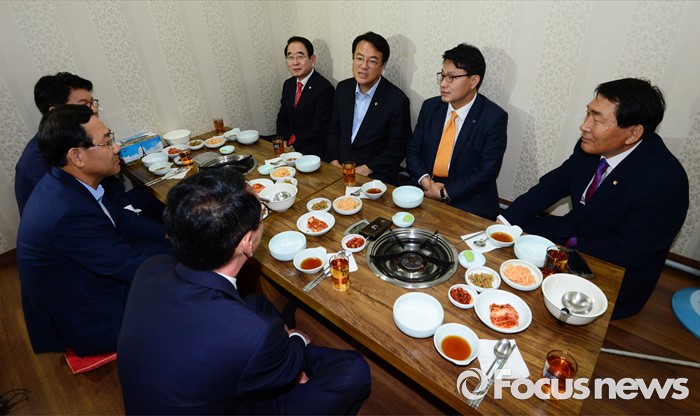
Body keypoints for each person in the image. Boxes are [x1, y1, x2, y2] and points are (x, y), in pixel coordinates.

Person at [117, 169, 371, 414]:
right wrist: (296, 340)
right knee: (352, 369)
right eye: (262, 213)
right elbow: (257, 341)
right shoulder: (251, 334)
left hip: (175, 390)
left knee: (258, 303)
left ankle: (280, 352)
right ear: (247, 243)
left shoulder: (151, 268)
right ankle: (284, 353)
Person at [501, 78, 689, 319]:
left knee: (546, 308)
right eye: (588, 113)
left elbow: (628, 251)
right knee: (507, 245)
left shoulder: (665, 182)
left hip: (612, 265)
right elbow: (551, 186)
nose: (584, 126)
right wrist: (504, 223)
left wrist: (559, 255)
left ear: (633, 133)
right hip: (572, 234)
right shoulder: (590, 145)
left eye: (597, 120)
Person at [17, 105, 173, 356]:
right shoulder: (67, 214)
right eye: (107, 142)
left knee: (169, 247)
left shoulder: (66, 183)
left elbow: (118, 217)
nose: (116, 147)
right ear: (77, 156)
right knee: (188, 281)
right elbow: (130, 267)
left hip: (89, 282)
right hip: (93, 319)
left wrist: (167, 233)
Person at [14, 72, 163, 219]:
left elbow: (108, 180)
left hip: (110, 207)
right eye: (84, 105)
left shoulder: (86, 135)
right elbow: (75, 214)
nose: (94, 109)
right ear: (55, 112)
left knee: (159, 199)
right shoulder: (35, 163)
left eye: (92, 102)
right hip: (87, 222)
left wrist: (129, 211)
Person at [406, 43, 508, 220]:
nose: (443, 84)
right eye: (442, 76)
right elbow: (413, 150)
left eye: (451, 77)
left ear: (473, 81)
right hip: (426, 189)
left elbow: (486, 172)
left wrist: (445, 192)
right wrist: (426, 182)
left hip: (469, 199)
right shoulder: (430, 107)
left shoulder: (493, 118)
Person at [326, 31, 412, 184]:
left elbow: (398, 147)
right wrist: (333, 161)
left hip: (374, 175)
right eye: (359, 58)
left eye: (372, 61)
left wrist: (366, 169)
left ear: (383, 65)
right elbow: (333, 128)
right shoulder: (343, 88)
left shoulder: (397, 100)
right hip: (339, 167)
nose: (364, 66)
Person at [275, 36, 334, 157]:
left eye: (300, 56)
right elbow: (282, 117)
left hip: (311, 147)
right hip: (288, 143)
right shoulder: (288, 84)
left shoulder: (324, 88)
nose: (295, 62)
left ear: (312, 59)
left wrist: (292, 145)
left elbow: (318, 128)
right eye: (290, 57)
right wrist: (284, 140)